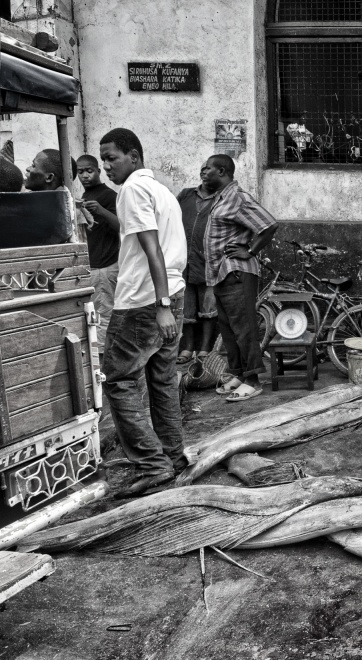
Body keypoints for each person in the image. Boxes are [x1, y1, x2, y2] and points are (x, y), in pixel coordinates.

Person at [98, 128, 187, 498]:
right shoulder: (162, 191)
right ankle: (173, 455)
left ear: (133, 156)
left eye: (111, 158)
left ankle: (152, 464)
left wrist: (162, 306)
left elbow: (153, 251)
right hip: (170, 294)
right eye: (102, 159)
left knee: (117, 380)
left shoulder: (134, 189)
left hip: (144, 301)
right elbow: (140, 238)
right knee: (162, 380)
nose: (105, 167)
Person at [202, 155, 278, 403]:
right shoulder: (220, 198)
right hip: (222, 274)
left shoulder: (237, 197)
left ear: (222, 171)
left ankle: (253, 381)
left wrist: (252, 250)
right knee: (229, 329)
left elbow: (268, 224)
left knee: (244, 328)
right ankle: (238, 374)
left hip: (237, 272)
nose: (202, 171)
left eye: (208, 168)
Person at [176, 164, 222, 364]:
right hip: (184, 261)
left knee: (208, 308)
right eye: (202, 168)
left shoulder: (221, 199)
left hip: (209, 263)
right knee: (187, 308)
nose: (204, 171)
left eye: (209, 169)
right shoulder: (185, 195)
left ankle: (205, 348)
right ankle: (187, 347)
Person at [77, 154, 120, 356]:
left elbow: (123, 227)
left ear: (98, 171)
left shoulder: (109, 196)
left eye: (89, 171)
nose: (84, 175)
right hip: (92, 266)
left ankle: (103, 359)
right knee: (93, 315)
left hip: (105, 266)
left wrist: (101, 211)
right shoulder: (83, 197)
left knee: (103, 314)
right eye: (80, 172)